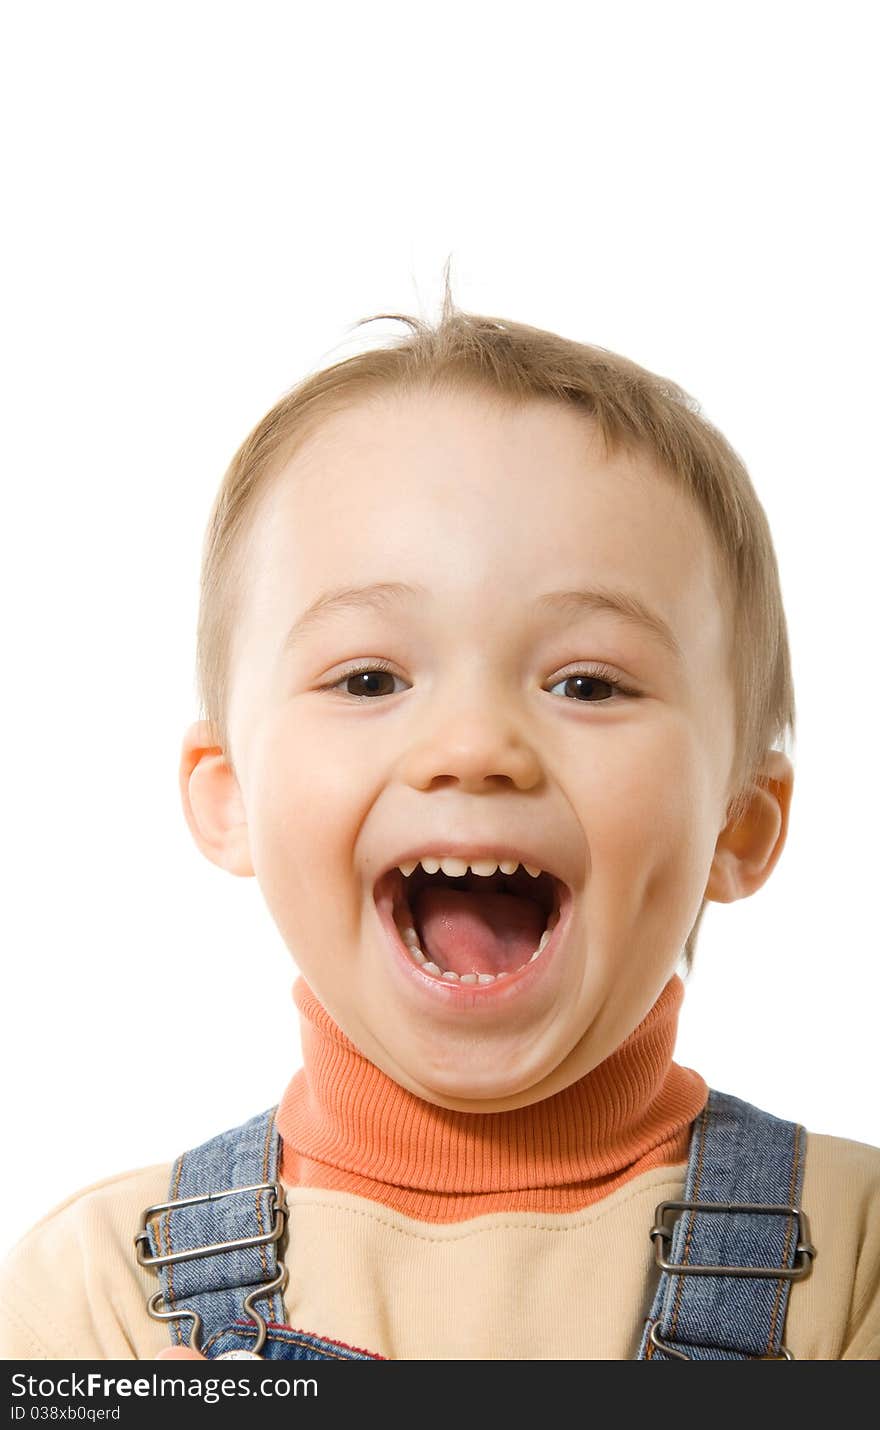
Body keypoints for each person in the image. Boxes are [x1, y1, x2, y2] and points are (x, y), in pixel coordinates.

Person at [2, 293, 878, 1362]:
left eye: (589, 682)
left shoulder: (853, 1256)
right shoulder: (101, 1299)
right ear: (228, 793)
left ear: (739, 820)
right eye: (369, 676)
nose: (475, 743)